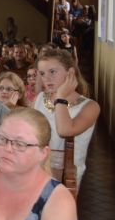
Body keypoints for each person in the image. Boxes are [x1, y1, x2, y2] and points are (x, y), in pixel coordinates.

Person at [34, 48, 99, 186]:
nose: (47, 78)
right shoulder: (40, 98)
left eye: (53, 72)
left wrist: (61, 97)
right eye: (42, 73)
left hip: (67, 176)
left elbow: (64, 130)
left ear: (70, 73)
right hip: (37, 169)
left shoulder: (90, 107)